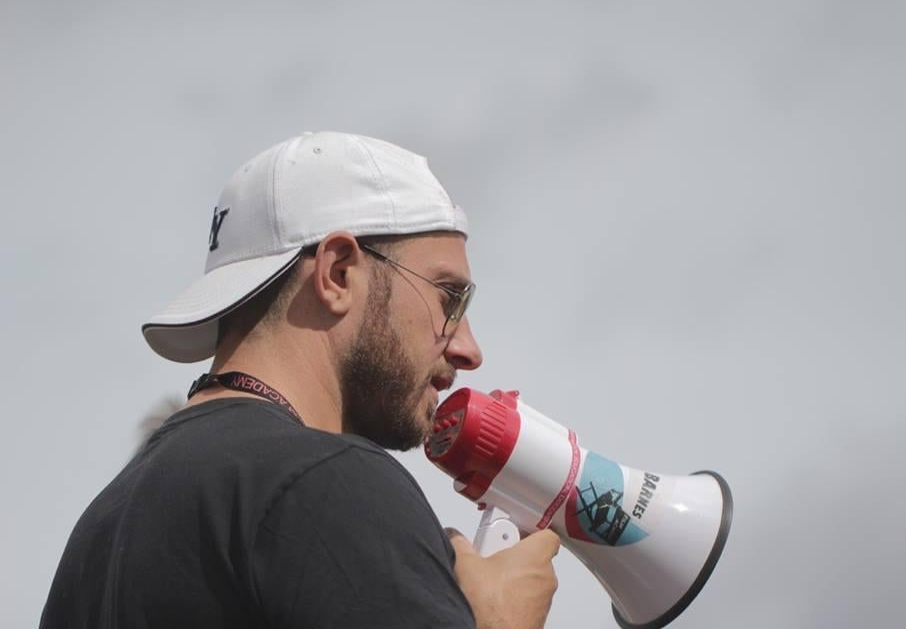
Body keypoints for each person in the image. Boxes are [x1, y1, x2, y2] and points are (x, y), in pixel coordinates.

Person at [41, 132, 560, 628]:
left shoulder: (100, 529)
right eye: (449, 298)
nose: (469, 349)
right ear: (337, 273)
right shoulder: (328, 480)